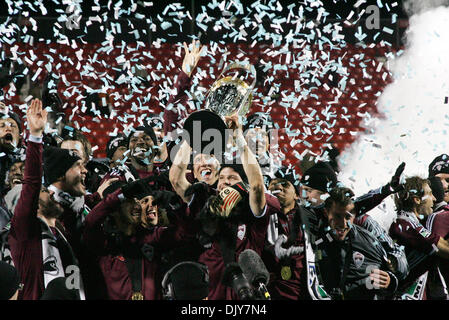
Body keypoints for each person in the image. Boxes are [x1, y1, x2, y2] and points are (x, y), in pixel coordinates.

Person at [184, 113, 281, 300]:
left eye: (232, 178)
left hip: (250, 296)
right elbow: (177, 180)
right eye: (221, 178)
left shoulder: (253, 215)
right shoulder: (206, 209)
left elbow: (257, 185)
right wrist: (192, 137)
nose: (225, 182)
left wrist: (239, 138)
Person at [8, 98, 85, 300]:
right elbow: (31, 184)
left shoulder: (62, 232)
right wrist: (35, 136)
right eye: (44, 190)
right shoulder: (25, 232)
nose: (51, 192)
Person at [82, 177, 196, 300]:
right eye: (129, 202)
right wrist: (119, 195)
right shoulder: (105, 244)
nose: (136, 205)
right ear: (115, 210)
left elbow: (185, 233)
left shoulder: (153, 237)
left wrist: (177, 204)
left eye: (137, 201)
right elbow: (90, 223)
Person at [316, 187, 399, 300]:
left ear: (354, 215)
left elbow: (386, 277)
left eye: (347, 217)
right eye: (337, 216)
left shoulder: (367, 239)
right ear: (326, 213)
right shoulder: (314, 238)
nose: (343, 223)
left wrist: (390, 281)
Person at [390, 176, 449, 300]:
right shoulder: (405, 225)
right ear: (417, 199)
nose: (434, 199)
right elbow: (445, 249)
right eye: (430, 194)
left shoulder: (411, 223)